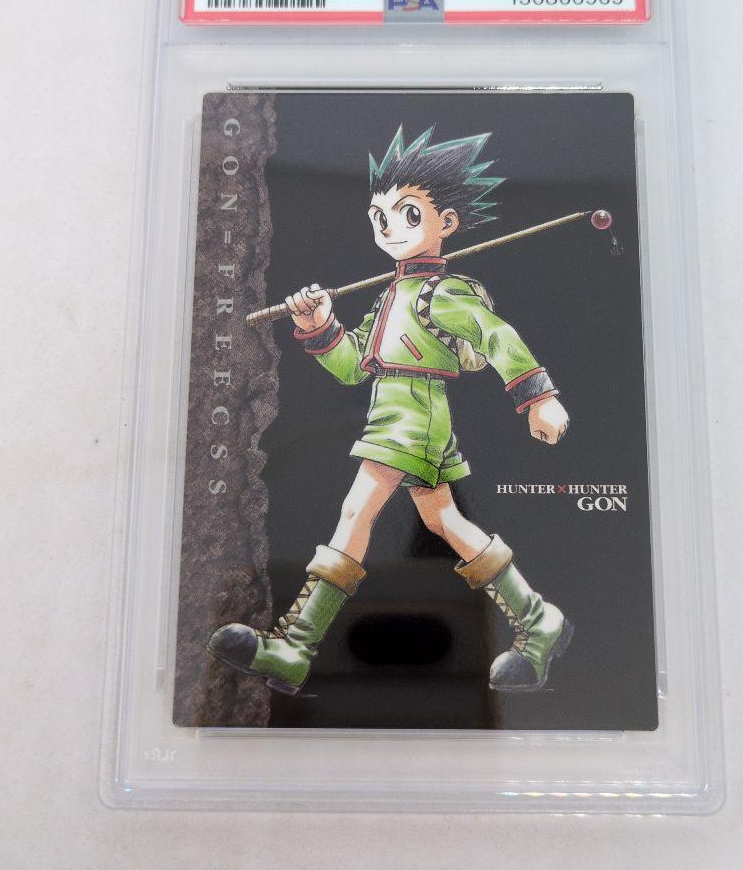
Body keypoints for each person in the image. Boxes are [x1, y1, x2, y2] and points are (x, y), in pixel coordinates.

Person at [208, 126, 573, 694]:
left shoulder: (443, 294)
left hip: (412, 417)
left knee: (357, 512)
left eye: (407, 214)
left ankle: (293, 647)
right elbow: (355, 366)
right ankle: (540, 620)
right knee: (444, 521)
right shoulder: (390, 296)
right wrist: (318, 325)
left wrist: (539, 399)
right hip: (403, 415)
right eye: (379, 216)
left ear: (446, 223)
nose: (388, 228)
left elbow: (496, 335)